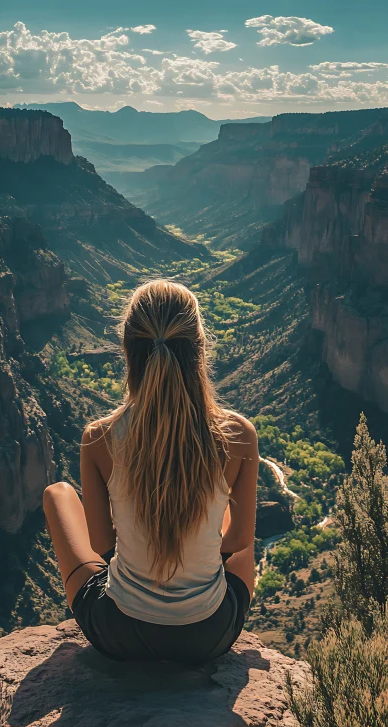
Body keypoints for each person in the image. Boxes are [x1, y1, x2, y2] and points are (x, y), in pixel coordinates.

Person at [43, 279, 258, 664]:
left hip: (119, 632)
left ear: (128, 352)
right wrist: (198, 562)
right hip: (209, 634)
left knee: (57, 493)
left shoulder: (99, 438)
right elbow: (239, 539)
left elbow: (99, 544)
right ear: (200, 350)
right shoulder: (238, 435)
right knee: (237, 519)